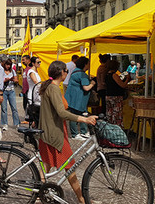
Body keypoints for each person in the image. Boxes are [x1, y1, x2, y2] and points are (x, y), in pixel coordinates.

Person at [37, 60, 97, 204]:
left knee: (46, 165)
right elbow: (62, 113)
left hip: (48, 133)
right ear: (61, 73)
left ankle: (38, 193)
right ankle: (82, 200)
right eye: (66, 71)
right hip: (54, 135)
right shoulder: (53, 88)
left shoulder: (49, 87)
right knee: (69, 167)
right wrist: (85, 119)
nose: (67, 73)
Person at [64, 57, 96, 140]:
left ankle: (82, 132)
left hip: (73, 98)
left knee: (79, 114)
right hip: (78, 99)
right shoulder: (82, 74)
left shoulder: (75, 71)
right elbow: (86, 88)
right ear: (85, 64)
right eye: (88, 63)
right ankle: (76, 134)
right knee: (77, 115)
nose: (89, 65)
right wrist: (92, 83)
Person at [105, 60, 130, 127]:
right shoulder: (114, 75)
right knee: (117, 114)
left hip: (108, 96)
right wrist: (127, 79)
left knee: (109, 113)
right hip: (116, 96)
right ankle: (117, 128)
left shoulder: (107, 75)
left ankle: (110, 127)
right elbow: (123, 85)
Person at [0, 59, 19, 130]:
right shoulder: (1, 71)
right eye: (7, 64)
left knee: (14, 108)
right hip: (4, 91)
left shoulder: (13, 71)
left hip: (11, 90)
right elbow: (0, 81)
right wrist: (6, 80)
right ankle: (5, 124)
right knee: (4, 108)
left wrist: (14, 80)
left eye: (9, 65)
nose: (8, 66)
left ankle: (17, 123)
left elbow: (17, 80)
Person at [20, 55, 31, 122]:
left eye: (24, 60)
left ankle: (29, 119)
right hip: (24, 90)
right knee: (25, 104)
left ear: (28, 60)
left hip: (29, 90)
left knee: (28, 105)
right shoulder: (25, 69)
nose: (22, 61)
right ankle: (27, 117)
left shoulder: (30, 69)